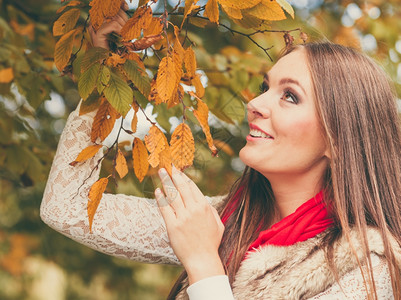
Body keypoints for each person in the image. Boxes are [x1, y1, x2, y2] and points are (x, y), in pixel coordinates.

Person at [41, 6, 401, 300]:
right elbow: (67, 209)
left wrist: (203, 264)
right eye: (265, 86)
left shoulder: (367, 267)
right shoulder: (226, 220)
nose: (255, 104)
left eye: (290, 95)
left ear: (337, 140)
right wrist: (103, 83)